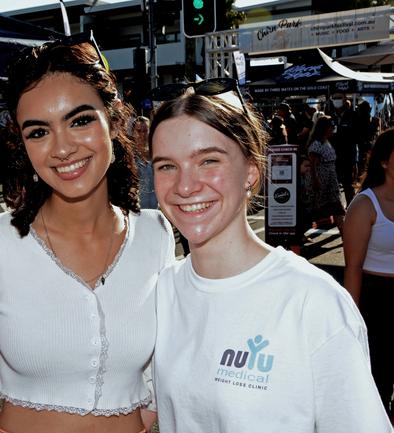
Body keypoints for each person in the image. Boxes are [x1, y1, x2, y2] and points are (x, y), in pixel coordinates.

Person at [0, 36, 175, 433]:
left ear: (113, 118)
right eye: (38, 132)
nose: (63, 149)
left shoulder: (155, 234)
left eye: (81, 120)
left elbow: (164, 366)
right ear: (23, 144)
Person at [148, 80, 392, 432]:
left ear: (251, 171)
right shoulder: (162, 291)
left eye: (208, 160)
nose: (185, 186)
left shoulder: (312, 302)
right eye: (167, 166)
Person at [343, 128, 394, 423]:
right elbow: (353, 267)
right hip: (377, 300)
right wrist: (351, 320)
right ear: (384, 163)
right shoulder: (365, 205)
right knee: (379, 380)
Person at [307, 115, 345, 232]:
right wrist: (316, 180)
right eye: (331, 127)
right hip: (322, 181)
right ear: (324, 128)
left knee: (336, 207)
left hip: (331, 181)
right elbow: (313, 165)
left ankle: (344, 234)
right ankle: (298, 234)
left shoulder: (327, 142)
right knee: (314, 210)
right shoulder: (317, 144)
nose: (333, 129)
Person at [132, 115, 158, 209]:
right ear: (133, 132)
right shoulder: (129, 155)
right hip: (137, 210)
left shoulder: (157, 153)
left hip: (157, 210)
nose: (142, 134)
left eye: (145, 130)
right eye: (139, 131)